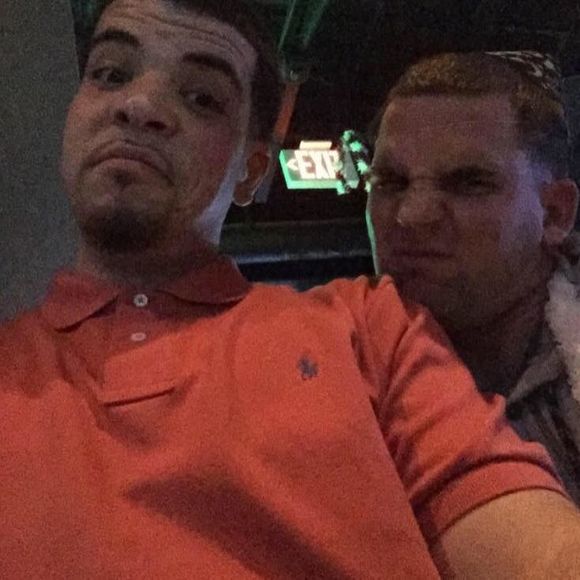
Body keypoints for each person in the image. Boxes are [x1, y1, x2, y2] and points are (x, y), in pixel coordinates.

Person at [2, 2, 580, 575]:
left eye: (201, 97)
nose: (140, 104)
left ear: (253, 171)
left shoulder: (371, 329)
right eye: (110, 73)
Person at [367, 50, 580, 505]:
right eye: (391, 181)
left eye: (468, 183)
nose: (411, 215)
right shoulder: (327, 361)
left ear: (554, 214)